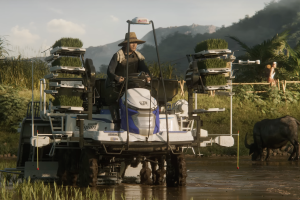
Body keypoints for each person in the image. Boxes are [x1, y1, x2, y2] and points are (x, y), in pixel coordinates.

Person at [105, 32, 151, 130]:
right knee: (114, 100)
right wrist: (117, 78)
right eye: (132, 43)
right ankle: (117, 123)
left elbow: (145, 70)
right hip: (118, 86)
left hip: (134, 85)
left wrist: (147, 76)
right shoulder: (117, 55)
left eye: (136, 43)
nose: (134, 45)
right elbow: (109, 71)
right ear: (126, 44)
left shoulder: (139, 56)